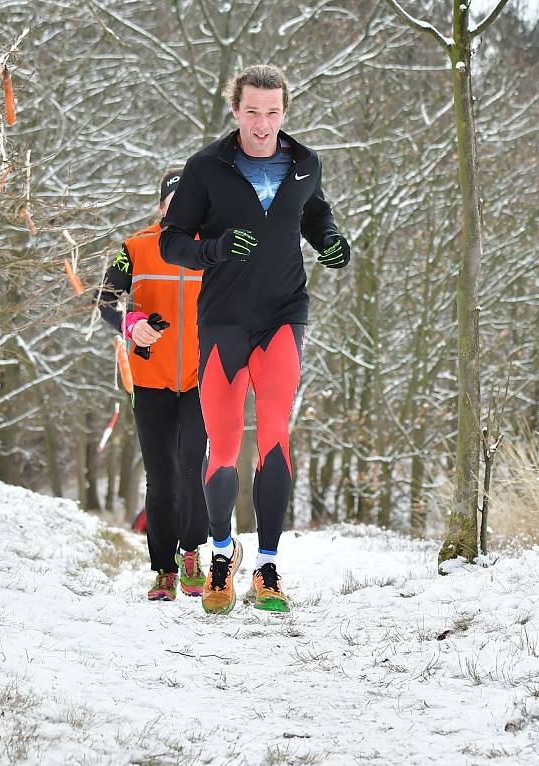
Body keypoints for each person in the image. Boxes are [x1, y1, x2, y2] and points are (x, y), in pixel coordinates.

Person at [159, 65, 351, 615]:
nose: (262, 123)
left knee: (273, 438)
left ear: (283, 112)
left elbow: (315, 213)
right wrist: (215, 250)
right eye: (252, 111)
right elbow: (172, 243)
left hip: (283, 318)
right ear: (235, 110)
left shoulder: (304, 164)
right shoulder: (206, 169)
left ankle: (267, 567)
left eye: (272, 112)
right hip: (222, 322)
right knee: (223, 448)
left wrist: (331, 240)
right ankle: (223, 556)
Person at [96, 168, 209, 602]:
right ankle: (163, 570)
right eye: (172, 202)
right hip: (150, 380)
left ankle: (192, 553)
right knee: (161, 477)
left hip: (202, 380)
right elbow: (105, 299)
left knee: (192, 469)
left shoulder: (211, 250)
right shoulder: (135, 248)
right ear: (161, 205)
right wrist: (130, 321)